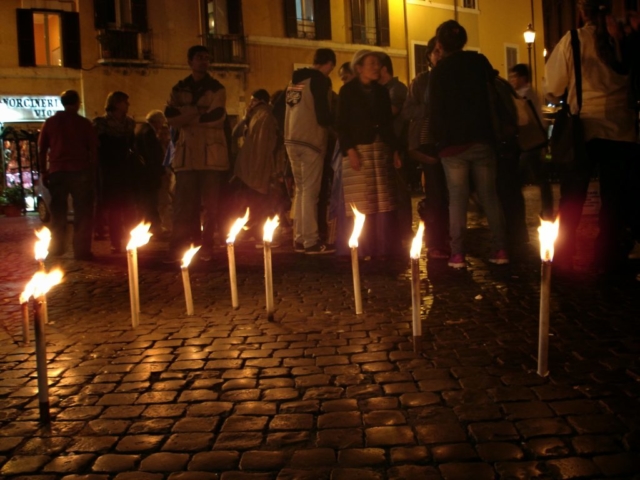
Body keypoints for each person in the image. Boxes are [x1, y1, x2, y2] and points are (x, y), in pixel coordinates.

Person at [546, 0, 637, 274]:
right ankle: (608, 258)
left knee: (573, 197)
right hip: (622, 129)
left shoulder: (573, 40)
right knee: (614, 200)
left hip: (584, 129)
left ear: (581, 11)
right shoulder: (623, 38)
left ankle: (564, 256)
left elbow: (553, 86)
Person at [425, 20, 508, 268]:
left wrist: (437, 142)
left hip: (452, 144)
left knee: (457, 200)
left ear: (439, 44)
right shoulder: (479, 61)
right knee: (489, 197)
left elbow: (434, 110)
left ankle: (458, 254)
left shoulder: (439, 71)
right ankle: (501, 249)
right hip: (482, 138)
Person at [165, 45, 230, 262]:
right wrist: (197, 113)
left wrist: (187, 115)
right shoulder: (178, 88)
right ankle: (182, 245)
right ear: (190, 61)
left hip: (211, 156)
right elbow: (170, 116)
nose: (204, 61)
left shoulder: (217, 88)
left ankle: (207, 246)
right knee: (184, 205)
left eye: (206, 58)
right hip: (186, 158)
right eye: (200, 58)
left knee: (211, 206)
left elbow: (217, 117)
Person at [336, 49, 402, 260]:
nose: (376, 68)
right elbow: (341, 124)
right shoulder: (347, 92)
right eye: (371, 63)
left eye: (378, 64)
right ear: (359, 68)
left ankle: (382, 248)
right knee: (361, 202)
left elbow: (387, 124)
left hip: (380, 148)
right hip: (358, 150)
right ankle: (361, 247)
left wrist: (394, 150)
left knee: (383, 200)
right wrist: (350, 150)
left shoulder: (382, 92)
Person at [284, 47, 336, 255]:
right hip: (311, 141)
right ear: (329, 64)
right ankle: (311, 241)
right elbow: (323, 115)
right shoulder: (320, 81)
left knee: (301, 191)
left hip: (291, 140)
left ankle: (300, 238)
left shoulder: (294, 82)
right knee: (310, 193)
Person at [38, 90, 98, 260]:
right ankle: (81, 250)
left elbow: (42, 149)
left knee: (58, 213)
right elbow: (93, 149)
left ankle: (57, 247)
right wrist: (92, 171)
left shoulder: (50, 123)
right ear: (78, 103)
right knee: (83, 213)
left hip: (57, 172)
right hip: (80, 171)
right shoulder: (84, 123)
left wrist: (44, 170)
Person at [404, 37, 450, 260]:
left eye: (442, 51)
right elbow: (408, 110)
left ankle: (450, 238)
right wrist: (428, 108)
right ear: (429, 56)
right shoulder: (421, 81)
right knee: (436, 194)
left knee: (454, 195)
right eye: (435, 51)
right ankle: (436, 242)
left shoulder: (456, 79)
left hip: (453, 141)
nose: (439, 55)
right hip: (429, 143)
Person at [232, 89, 281, 245]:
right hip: (257, 168)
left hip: (250, 167)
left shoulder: (259, 116)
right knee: (260, 203)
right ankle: (258, 235)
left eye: (252, 100)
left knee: (252, 203)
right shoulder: (265, 116)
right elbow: (266, 146)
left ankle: (251, 232)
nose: (250, 103)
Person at [93, 91, 138, 254]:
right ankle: (115, 241)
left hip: (125, 169)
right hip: (108, 169)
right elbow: (96, 147)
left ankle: (132, 240)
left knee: (129, 207)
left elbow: (133, 146)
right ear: (116, 103)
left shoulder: (129, 124)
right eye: (125, 102)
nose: (128, 105)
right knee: (113, 209)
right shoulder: (101, 124)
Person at [509, 63, 554, 220]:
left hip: (533, 140)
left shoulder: (525, 94)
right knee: (540, 177)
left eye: (514, 76)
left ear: (523, 78)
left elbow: (523, 118)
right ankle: (547, 209)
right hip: (535, 139)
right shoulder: (525, 92)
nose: (512, 80)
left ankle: (517, 212)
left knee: (521, 177)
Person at [378, 53, 412, 245]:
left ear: (384, 69)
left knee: (399, 189)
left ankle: (404, 231)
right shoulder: (384, 89)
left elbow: (391, 113)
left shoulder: (397, 89)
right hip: (389, 145)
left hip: (397, 145)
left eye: (376, 65)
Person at [135, 110, 166, 233]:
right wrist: (160, 171)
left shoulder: (142, 130)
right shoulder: (148, 133)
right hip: (149, 175)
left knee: (147, 202)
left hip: (143, 174)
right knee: (151, 202)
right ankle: (153, 226)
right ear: (157, 122)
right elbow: (152, 155)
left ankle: (150, 225)